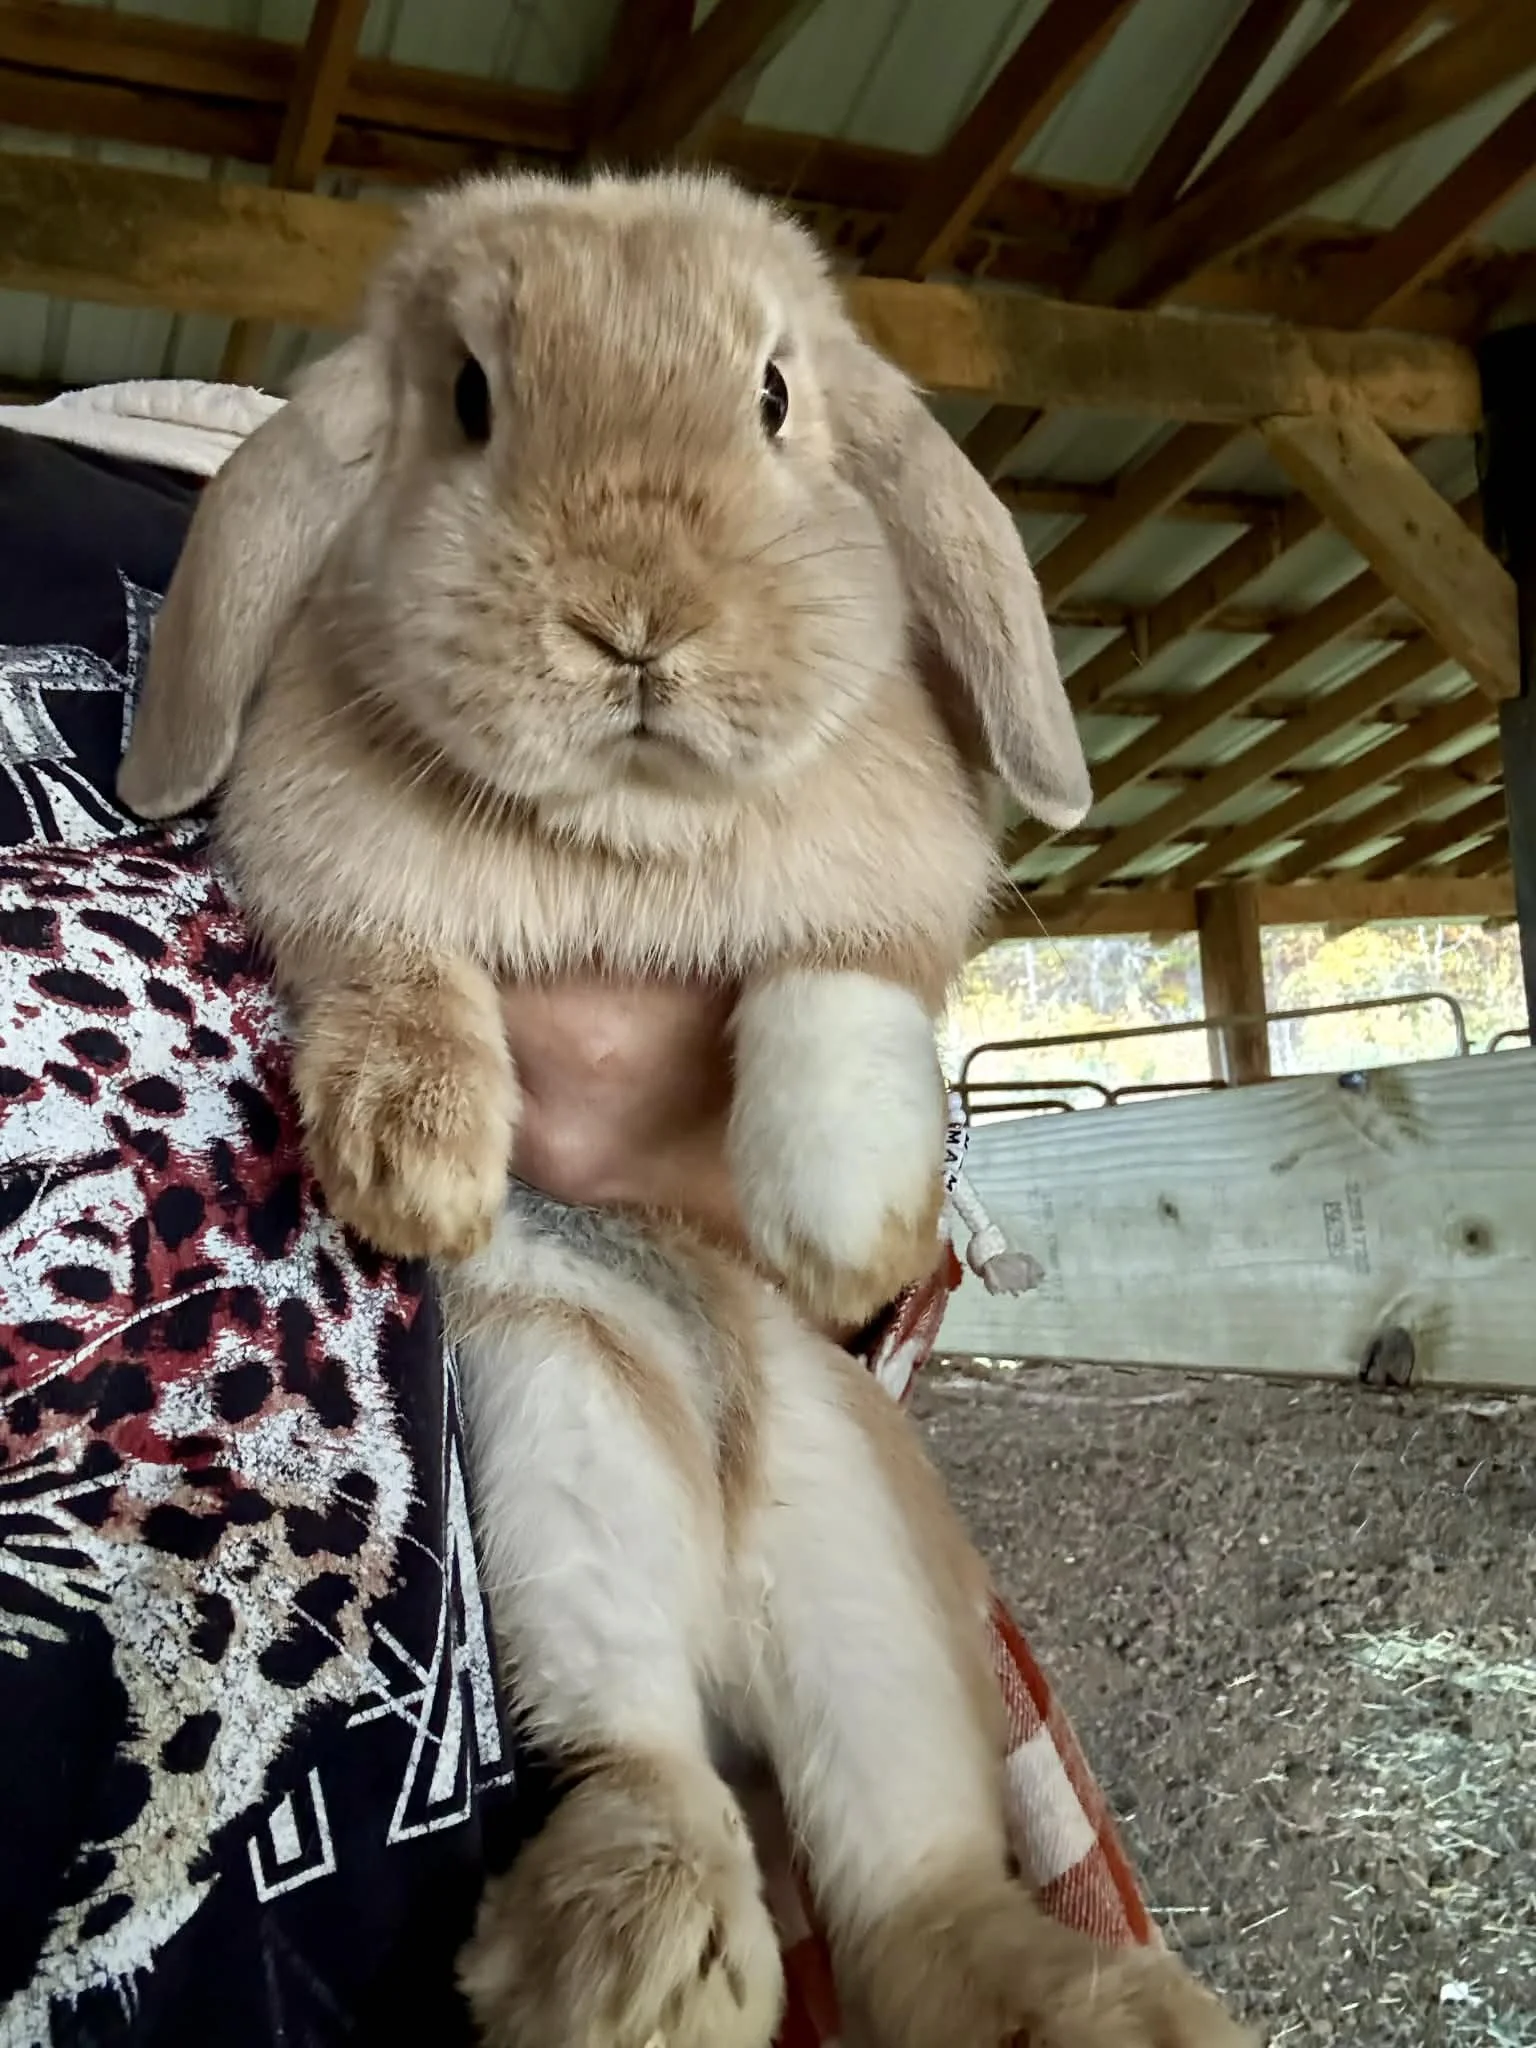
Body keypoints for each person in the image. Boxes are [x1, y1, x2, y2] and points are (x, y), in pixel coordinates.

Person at [0, 392, 1149, 2048]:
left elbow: (873, 1240)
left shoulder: (250, 517)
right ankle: (657, 1798)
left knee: (811, 1470)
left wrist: (777, 1077)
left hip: (691, 1356)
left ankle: (929, 1905)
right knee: (552, 1362)